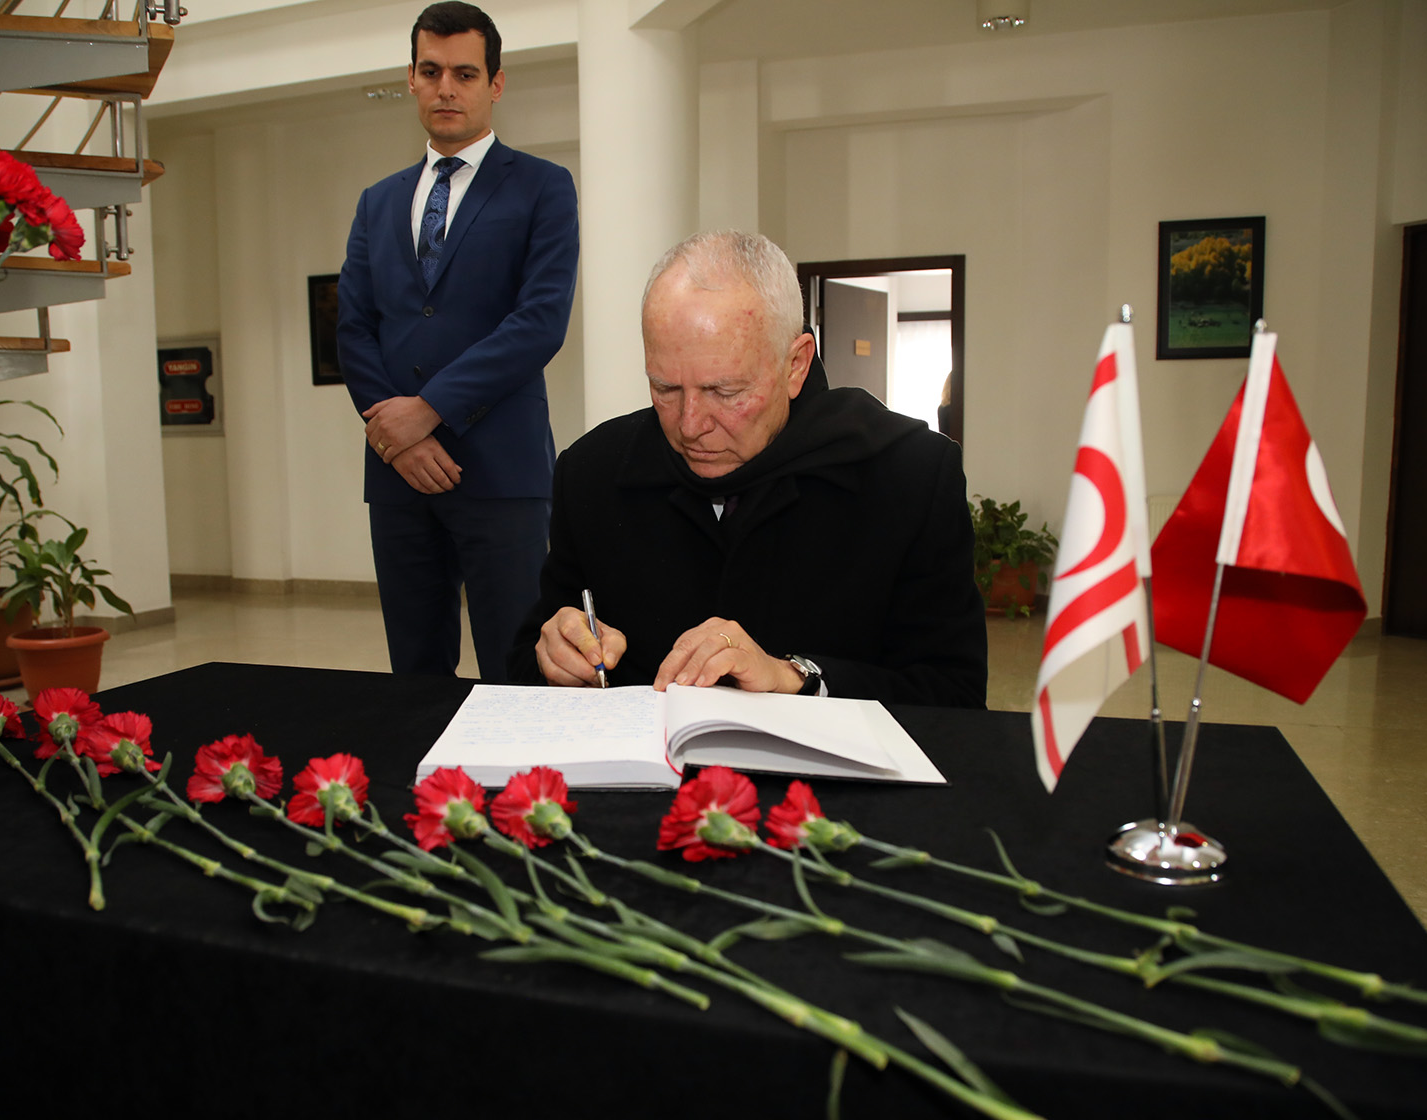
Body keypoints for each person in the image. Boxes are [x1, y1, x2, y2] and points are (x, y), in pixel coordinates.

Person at [509, 231, 987, 707]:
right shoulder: (591, 473)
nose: (690, 425)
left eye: (725, 392)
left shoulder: (910, 476)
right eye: (666, 389)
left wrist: (797, 678)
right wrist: (553, 657)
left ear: (796, 365)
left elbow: (954, 698)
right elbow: (530, 659)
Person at [337, 2, 579, 683]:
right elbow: (353, 327)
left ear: (495, 84)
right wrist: (400, 438)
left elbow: (539, 321)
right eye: (431, 71)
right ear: (411, 80)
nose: (447, 88)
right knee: (414, 673)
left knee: (516, 668)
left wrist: (427, 410)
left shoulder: (543, 187)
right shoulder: (377, 202)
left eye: (465, 74)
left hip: (502, 472)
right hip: (397, 476)